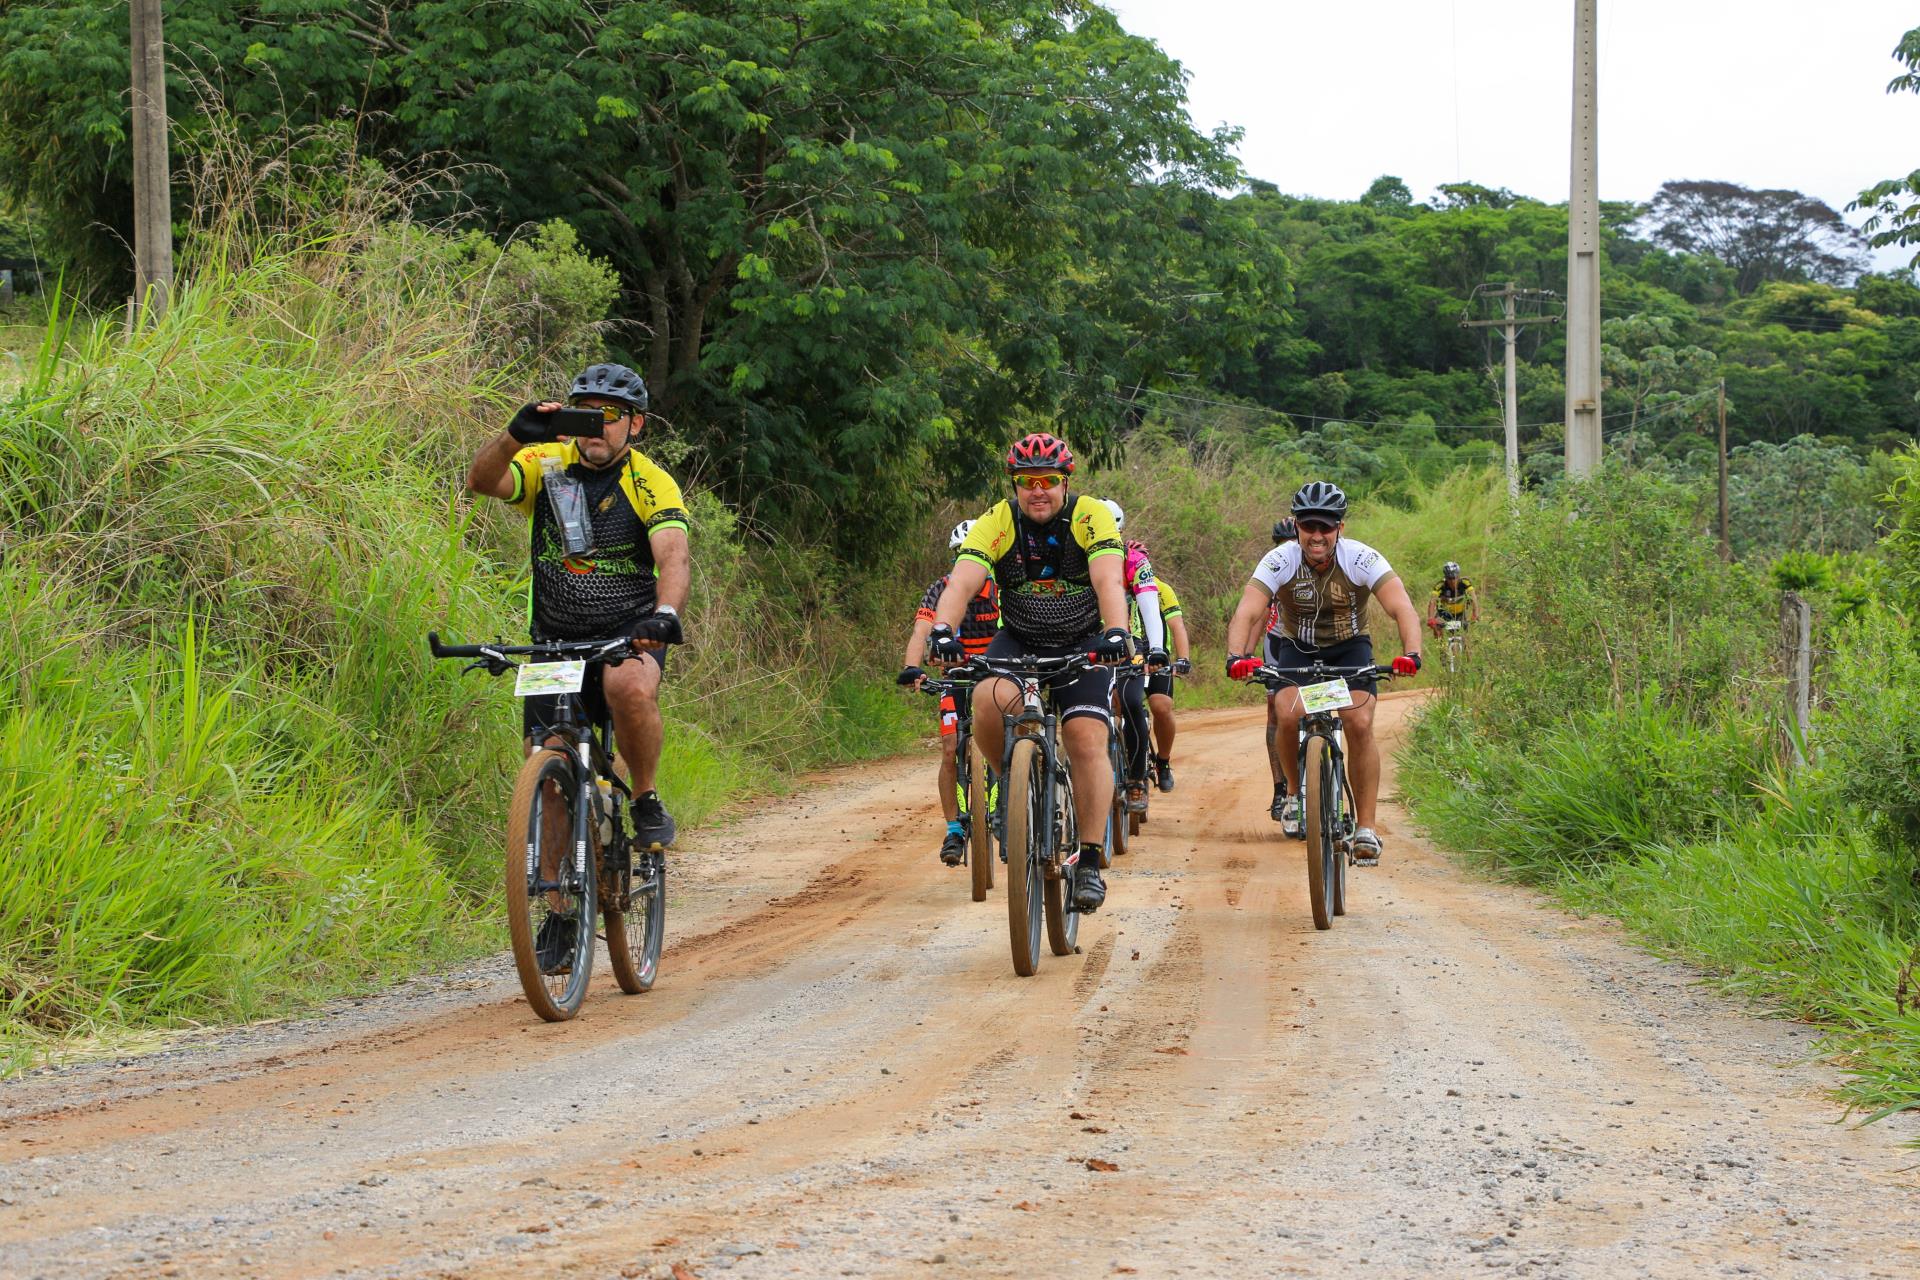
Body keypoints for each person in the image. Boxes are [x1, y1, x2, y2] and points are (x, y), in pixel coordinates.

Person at [466, 362, 689, 888]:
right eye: (584, 414)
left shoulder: (649, 481)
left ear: (635, 425)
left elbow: (674, 557)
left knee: (629, 687)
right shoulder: (547, 464)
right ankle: (559, 909)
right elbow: (481, 479)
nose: (597, 427)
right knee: (546, 771)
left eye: (609, 416)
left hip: (628, 632)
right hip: (555, 639)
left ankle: (645, 797)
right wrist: (516, 434)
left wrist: (665, 615)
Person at [928, 433, 1131, 914]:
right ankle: (1013, 792)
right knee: (985, 700)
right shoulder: (997, 521)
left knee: (1085, 738)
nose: (1037, 491)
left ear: (1065, 482)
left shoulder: (1090, 516)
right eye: (1026, 482)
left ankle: (1089, 860)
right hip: (1019, 638)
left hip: (1083, 640)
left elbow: (1108, 578)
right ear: (1014, 485)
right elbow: (963, 579)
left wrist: (1118, 632)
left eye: (1047, 481)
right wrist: (942, 628)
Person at [1223, 481, 1422, 865]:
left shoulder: (1362, 559)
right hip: (1296, 648)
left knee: (1358, 723)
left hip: (1350, 649)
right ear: (1296, 527)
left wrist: (1411, 653)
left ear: (1340, 529)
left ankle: (1366, 828)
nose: (1317, 535)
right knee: (1286, 712)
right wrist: (1236, 656)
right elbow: (1247, 610)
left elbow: (1402, 608)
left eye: (1326, 527)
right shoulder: (1278, 560)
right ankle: (1296, 797)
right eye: (1308, 526)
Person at [898, 520, 1001, 866]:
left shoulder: (1001, 589)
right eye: (960, 555)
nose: (966, 562)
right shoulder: (941, 588)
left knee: (1008, 737)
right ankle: (954, 828)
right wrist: (914, 668)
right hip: (955, 676)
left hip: (996, 673)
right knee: (948, 750)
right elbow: (921, 631)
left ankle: (1008, 805)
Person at [1105, 501, 1167, 815]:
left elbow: (1149, 607)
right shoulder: (1072, 557)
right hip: (1088, 646)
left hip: (1130, 647)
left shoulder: (1134, 560)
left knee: (1130, 703)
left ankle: (1135, 779)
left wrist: (1156, 647)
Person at [1143, 572, 1192, 791]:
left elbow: (1176, 625)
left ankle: (1163, 762)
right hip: (1124, 658)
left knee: (1161, 706)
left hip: (1157, 660)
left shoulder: (1161, 589)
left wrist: (1183, 659)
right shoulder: (1114, 582)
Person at [1263, 516, 1296, 798]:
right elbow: (1256, 611)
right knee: (1275, 709)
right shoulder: (1272, 567)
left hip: (1314, 641)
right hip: (1277, 640)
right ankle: (1279, 787)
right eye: (1280, 544)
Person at [1427, 561, 1479, 634]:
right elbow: (1432, 602)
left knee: (1466, 634)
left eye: (1455, 578)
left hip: (1460, 614)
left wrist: (1475, 614)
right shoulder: (1440, 585)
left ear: (1458, 576)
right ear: (1445, 577)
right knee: (1437, 627)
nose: (1452, 581)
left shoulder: (1465, 583)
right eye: (1449, 578)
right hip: (1444, 614)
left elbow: (1473, 598)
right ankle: (1440, 644)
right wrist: (1431, 618)